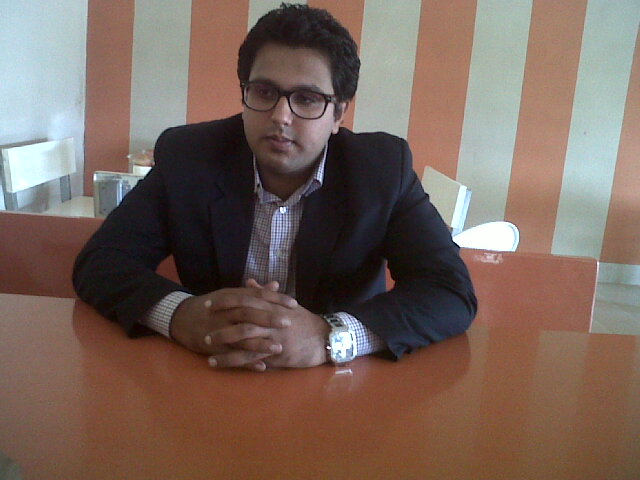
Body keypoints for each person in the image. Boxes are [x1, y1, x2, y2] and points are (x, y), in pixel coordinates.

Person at [73, 3, 476, 372]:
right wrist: (180, 315)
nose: (281, 116)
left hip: (341, 384)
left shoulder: (381, 170)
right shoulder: (188, 156)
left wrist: (331, 337)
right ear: (244, 94)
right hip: (212, 375)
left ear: (338, 113)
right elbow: (102, 261)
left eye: (307, 99)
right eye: (264, 92)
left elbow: (449, 290)